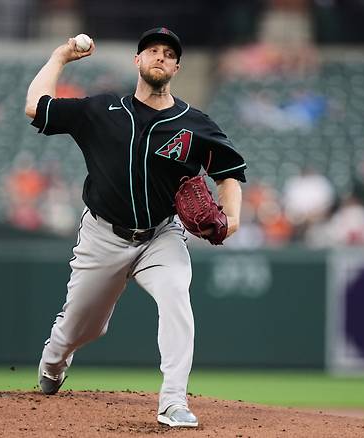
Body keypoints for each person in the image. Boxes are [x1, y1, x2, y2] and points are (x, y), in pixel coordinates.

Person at [24, 28, 246, 428]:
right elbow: (35, 108)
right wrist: (59, 57)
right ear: (137, 61)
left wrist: (232, 216)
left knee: (177, 295)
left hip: (161, 235)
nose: (160, 56)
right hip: (102, 236)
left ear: (177, 67)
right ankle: (55, 358)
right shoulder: (101, 110)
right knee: (83, 327)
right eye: (152, 51)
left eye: (168, 53)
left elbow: (230, 171)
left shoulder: (194, 123)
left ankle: (173, 401)